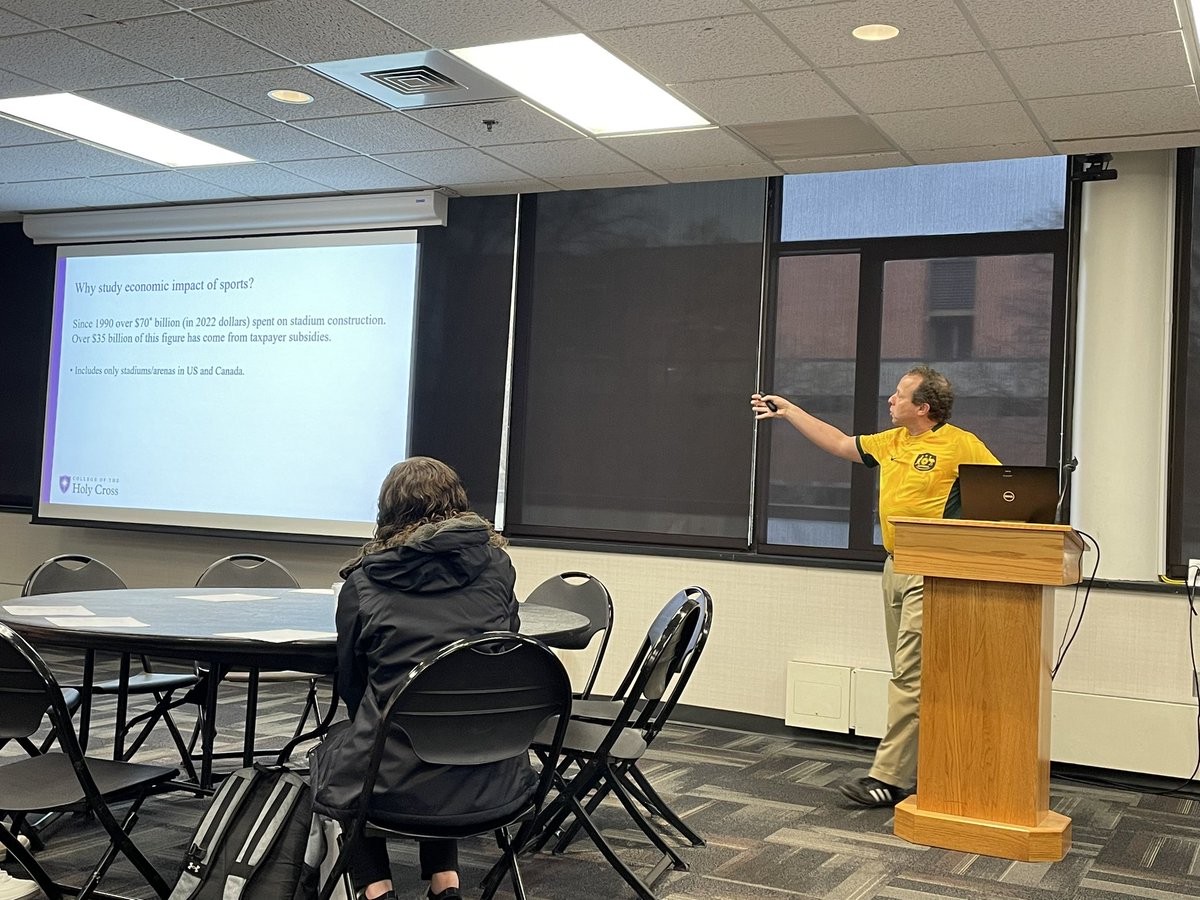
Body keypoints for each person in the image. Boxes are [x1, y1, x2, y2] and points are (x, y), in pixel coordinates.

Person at [751, 365, 998, 807]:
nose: (890, 400)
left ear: (923, 407)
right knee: (911, 675)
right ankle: (923, 769)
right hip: (896, 566)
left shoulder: (962, 445)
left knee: (910, 675)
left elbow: (1004, 497)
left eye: (899, 395)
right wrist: (791, 412)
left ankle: (888, 776)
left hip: (934, 569)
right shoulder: (894, 442)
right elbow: (842, 443)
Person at [311, 456, 531, 900]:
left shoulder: (364, 583)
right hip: (494, 771)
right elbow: (505, 649)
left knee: (343, 750)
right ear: (458, 504)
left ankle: (376, 889)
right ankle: (444, 881)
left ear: (387, 513)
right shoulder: (498, 569)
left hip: (393, 782)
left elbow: (353, 687)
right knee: (443, 724)